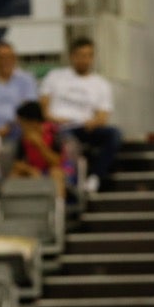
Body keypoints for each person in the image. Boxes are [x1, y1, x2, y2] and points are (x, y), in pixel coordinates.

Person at [39, 37, 121, 193]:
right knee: (67, 139)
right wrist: (54, 119)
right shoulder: (55, 76)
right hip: (59, 127)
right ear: (72, 56)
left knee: (114, 134)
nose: (84, 59)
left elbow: (103, 116)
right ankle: (71, 181)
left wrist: (94, 122)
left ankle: (95, 177)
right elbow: (43, 108)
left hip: (85, 127)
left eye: (88, 55)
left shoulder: (101, 84)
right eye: (80, 55)